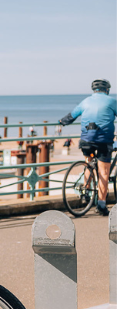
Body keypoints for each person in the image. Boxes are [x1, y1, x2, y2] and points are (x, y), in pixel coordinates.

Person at [59, 79, 117, 215]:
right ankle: (101, 205)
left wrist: (61, 122)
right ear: (107, 90)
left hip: (86, 141)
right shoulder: (111, 101)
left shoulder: (85, 101)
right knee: (103, 172)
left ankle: (85, 191)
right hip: (103, 142)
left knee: (88, 163)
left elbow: (70, 117)